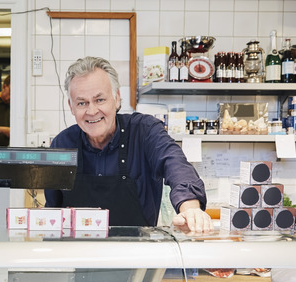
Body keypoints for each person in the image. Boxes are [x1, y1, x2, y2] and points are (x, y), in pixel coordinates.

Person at [45, 57, 212, 234]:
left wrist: (190, 208)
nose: (92, 111)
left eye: (100, 99)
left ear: (116, 98)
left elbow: (174, 163)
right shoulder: (62, 144)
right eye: (81, 103)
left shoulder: (145, 131)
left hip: (138, 256)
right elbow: (52, 211)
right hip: (79, 256)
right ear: (71, 106)